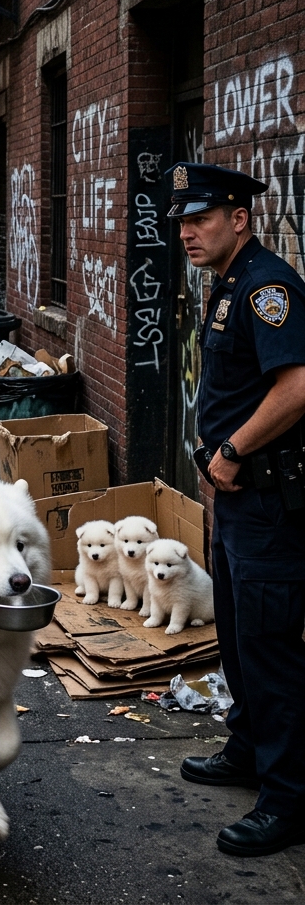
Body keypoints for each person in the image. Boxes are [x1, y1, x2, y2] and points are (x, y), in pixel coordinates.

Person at [171, 161, 305, 857]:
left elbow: (298, 387)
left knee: (270, 648)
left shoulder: (267, 287)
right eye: (183, 223)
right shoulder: (228, 283)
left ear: (240, 219)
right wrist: (214, 463)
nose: (188, 233)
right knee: (238, 636)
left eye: (201, 220)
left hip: (268, 501)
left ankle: (287, 800)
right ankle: (249, 750)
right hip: (236, 497)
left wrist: (230, 452)